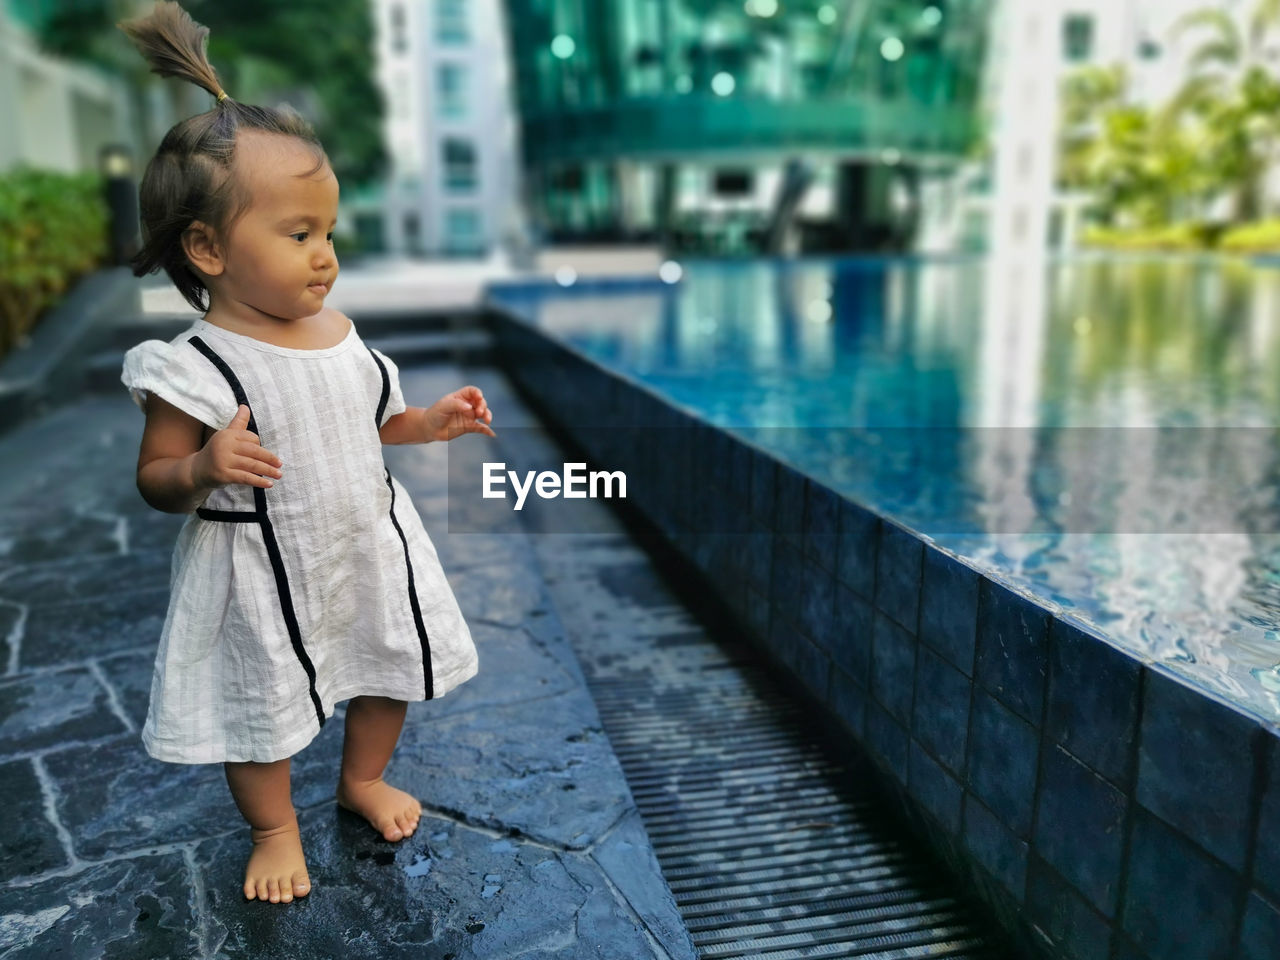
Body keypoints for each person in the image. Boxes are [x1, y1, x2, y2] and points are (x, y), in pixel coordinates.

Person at [116, 2, 493, 905]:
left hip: (361, 544)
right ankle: (274, 827)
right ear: (206, 248)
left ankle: (361, 778)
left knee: (385, 665)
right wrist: (201, 469)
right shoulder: (197, 365)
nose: (324, 257)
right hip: (257, 564)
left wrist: (427, 423)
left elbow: (371, 418)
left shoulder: (340, 334)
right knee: (261, 707)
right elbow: (155, 478)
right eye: (297, 236)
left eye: (326, 233)